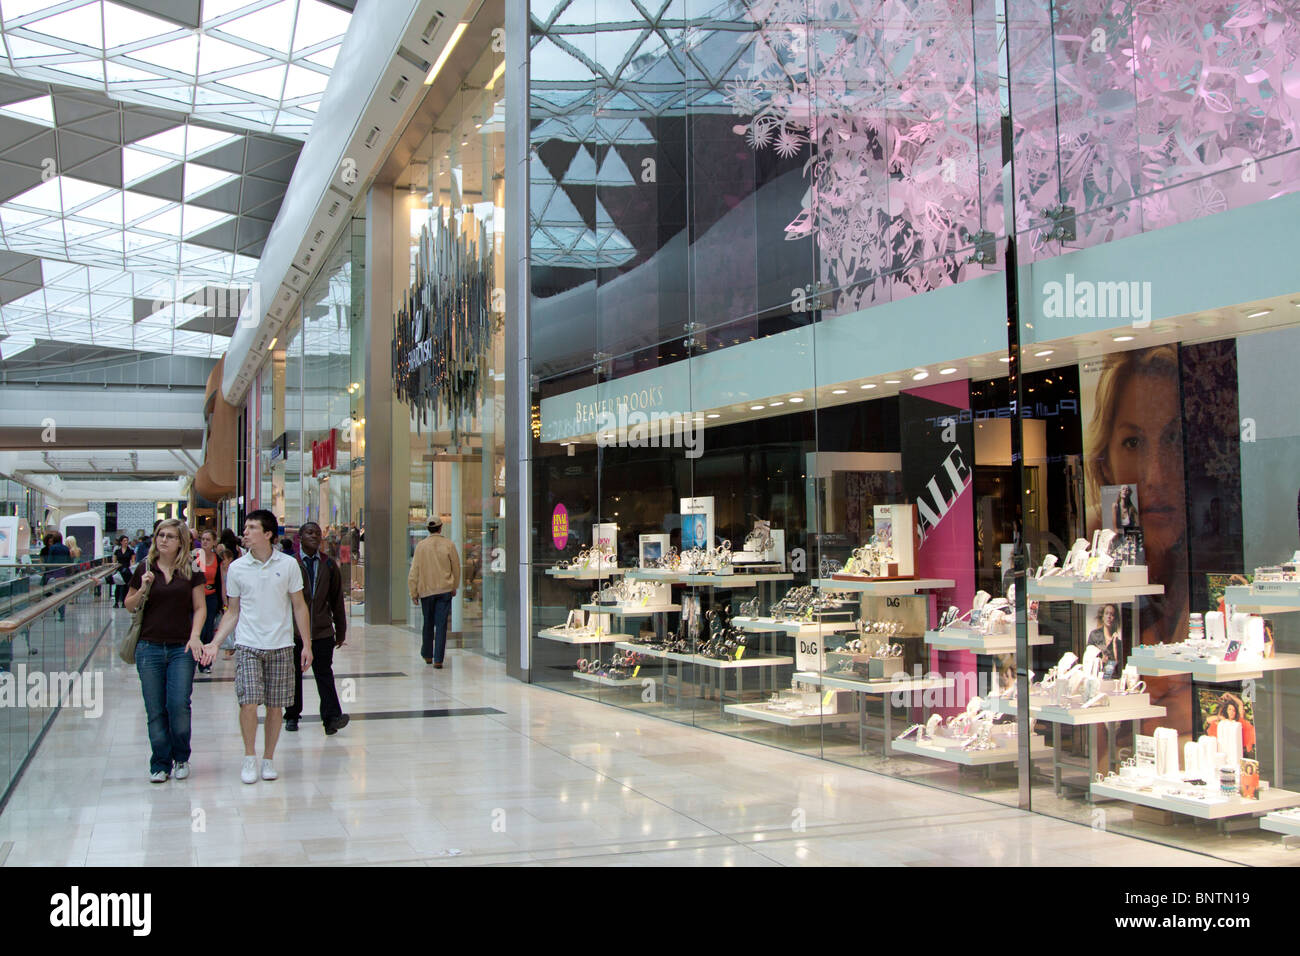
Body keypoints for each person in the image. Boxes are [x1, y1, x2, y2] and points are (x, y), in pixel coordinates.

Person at [1085, 345, 1189, 736]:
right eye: (1133, 442)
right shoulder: (1098, 548)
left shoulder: (1211, 567)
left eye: (1174, 438)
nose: (1155, 475)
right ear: (1105, 461)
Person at [203, 510, 312, 784]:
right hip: (248, 645)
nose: (246, 532)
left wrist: (306, 644)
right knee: (248, 702)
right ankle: (249, 756)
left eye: (252, 527)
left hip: (281, 645)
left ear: (268, 534)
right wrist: (216, 642)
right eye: (245, 527)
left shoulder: (288, 565)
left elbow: (299, 606)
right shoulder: (237, 568)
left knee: (276, 707)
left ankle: (268, 758)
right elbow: (232, 611)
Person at [123, 519, 207, 783]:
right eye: (160, 535)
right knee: (155, 708)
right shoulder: (144, 568)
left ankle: (181, 756)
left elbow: (200, 607)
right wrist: (144, 586)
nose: (163, 540)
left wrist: (195, 636)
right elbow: (129, 605)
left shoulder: (192, 568)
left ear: (181, 541)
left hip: (181, 647)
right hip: (149, 647)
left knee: (178, 704)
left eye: (170, 536)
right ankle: (160, 762)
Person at [284, 522, 349, 735]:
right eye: (309, 533)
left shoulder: (328, 565)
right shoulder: (290, 564)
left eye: (317, 534)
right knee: (293, 674)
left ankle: (331, 718)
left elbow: (337, 599)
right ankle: (292, 714)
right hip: (294, 632)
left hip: (321, 631)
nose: (314, 536)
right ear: (300, 537)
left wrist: (341, 630)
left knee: (324, 673)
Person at [408, 518, 460, 667]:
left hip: (426, 590)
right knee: (442, 625)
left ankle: (427, 655)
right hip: (444, 590)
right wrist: (454, 585)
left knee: (428, 623)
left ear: (427, 529)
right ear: (441, 527)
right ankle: (438, 659)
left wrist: (413, 592)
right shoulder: (449, 545)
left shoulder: (420, 546)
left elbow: (414, 571)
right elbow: (456, 567)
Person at [195, 530, 223, 674]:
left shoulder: (217, 559)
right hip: (197, 598)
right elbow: (192, 578)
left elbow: (220, 581)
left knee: (208, 630)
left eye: (207, 539)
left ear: (214, 542)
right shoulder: (195, 557)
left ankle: (205, 663)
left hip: (211, 597)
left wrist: (224, 602)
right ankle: (194, 657)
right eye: (202, 539)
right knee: (199, 629)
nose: (204, 542)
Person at [1086, 603, 1122, 677]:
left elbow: (1116, 668)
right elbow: (1088, 659)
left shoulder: (1118, 642)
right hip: (1094, 677)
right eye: (1106, 613)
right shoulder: (1094, 635)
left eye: (1112, 614)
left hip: (1110, 678)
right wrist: (1101, 661)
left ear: (1115, 618)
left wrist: (1114, 646)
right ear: (1102, 616)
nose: (1109, 616)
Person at [113, 534, 134, 607]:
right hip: (119, 569)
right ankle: (116, 602)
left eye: (127, 540)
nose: (126, 542)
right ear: (121, 542)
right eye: (124, 540)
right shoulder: (117, 551)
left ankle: (124, 602)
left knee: (126, 586)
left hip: (127, 570)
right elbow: (114, 562)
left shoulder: (131, 551)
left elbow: (133, 561)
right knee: (118, 586)